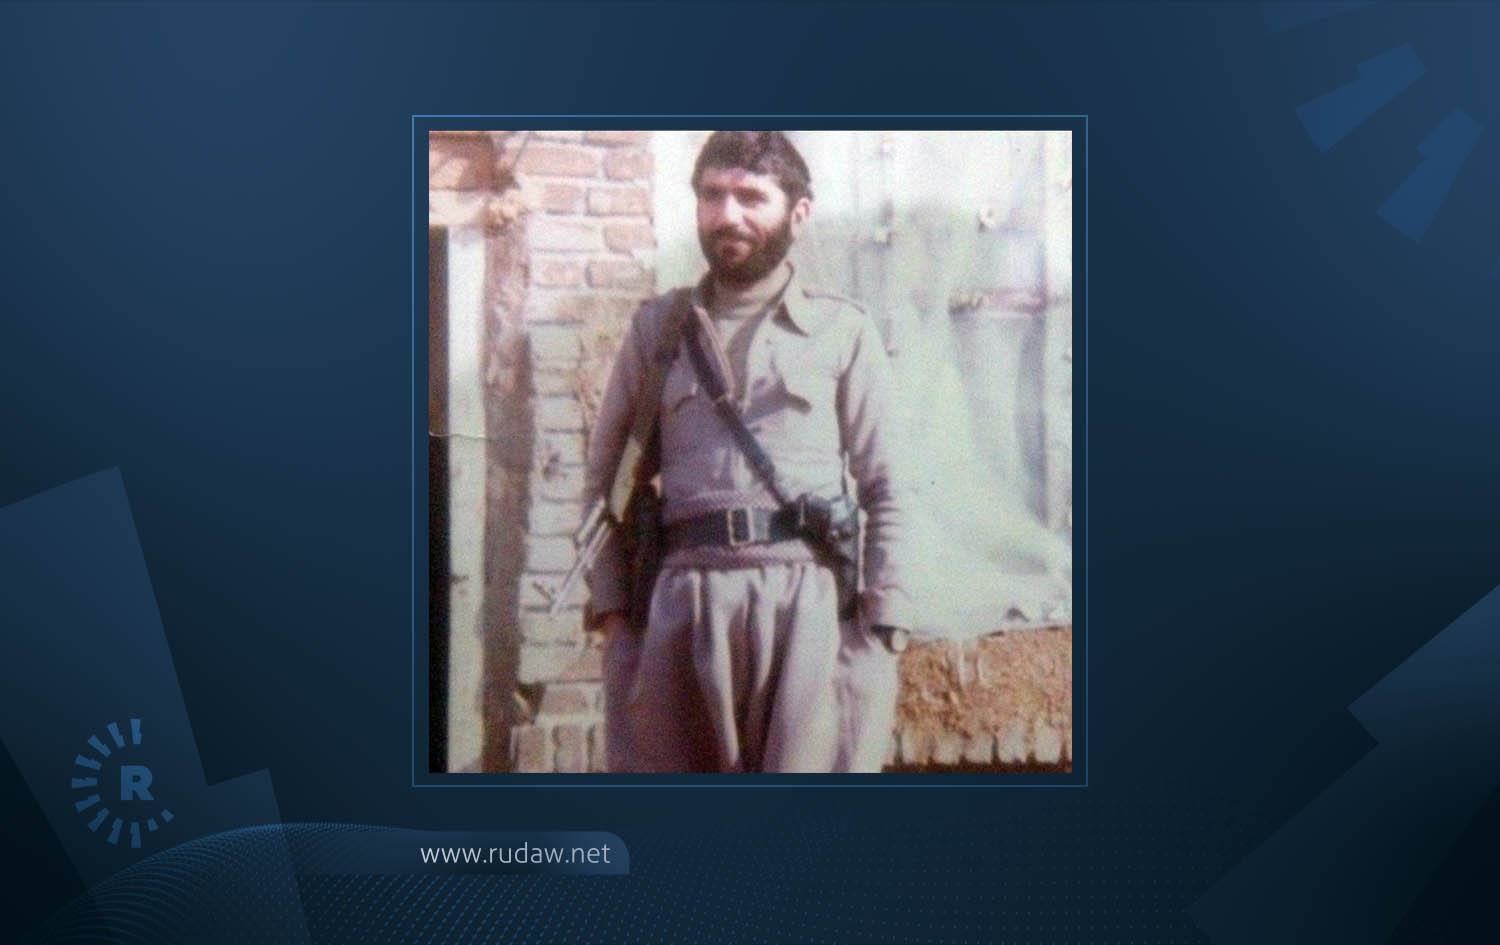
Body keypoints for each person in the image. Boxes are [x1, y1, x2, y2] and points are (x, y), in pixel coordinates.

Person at [585, 131, 913, 773]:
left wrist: (883, 630)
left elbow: (888, 486)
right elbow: (607, 487)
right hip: (682, 605)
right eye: (712, 196)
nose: (727, 215)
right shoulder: (657, 331)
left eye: (750, 198)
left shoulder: (842, 332)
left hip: (807, 606)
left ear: (799, 212)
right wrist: (618, 627)